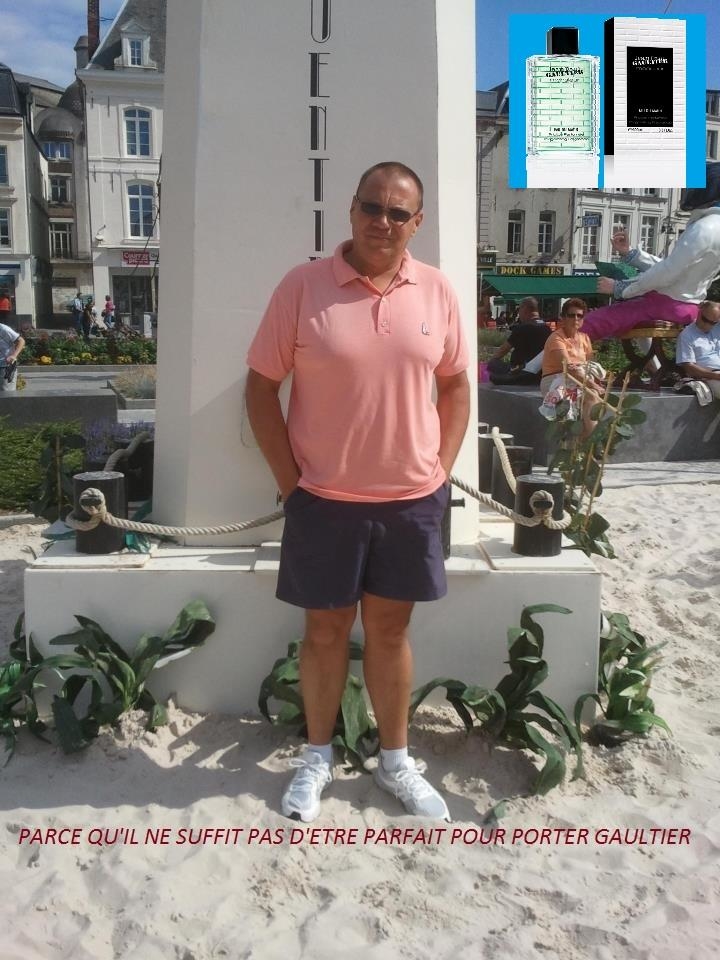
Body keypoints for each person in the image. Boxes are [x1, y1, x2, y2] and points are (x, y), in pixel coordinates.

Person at [245, 161, 470, 823]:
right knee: (323, 633)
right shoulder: (303, 286)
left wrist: (441, 468)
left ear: (416, 223)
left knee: (391, 632)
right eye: (372, 207)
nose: (383, 221)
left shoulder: (437, 290)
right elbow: (260, 387)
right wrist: (291, 486)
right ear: (351, 209)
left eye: (399, 212)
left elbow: (456, 385)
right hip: (324, 500)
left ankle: (396, 761)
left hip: (411, 501)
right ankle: (317, 757)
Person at [583, 161, 720, 342]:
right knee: (634, 322)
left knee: (589, 324)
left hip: (667, 304)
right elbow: (676, 269)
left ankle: (547, 359)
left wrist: (621, 288)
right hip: (690, 306)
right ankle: (653, 361)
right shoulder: (713, 227)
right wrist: (632, 254)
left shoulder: (703, 228)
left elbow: (668, 272)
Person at [541, 298, 601, 437]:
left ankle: (585, 442)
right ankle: (593, 440)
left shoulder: (584, 338)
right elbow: (568, 368)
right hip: (556, 379)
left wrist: (595, 382)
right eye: (571, 315)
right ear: (563, 318)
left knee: (594, 399)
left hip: (580, 379)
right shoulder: (556, 338)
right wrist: (593, 385)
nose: (576, 318)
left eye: (580, 315)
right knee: (592, 395)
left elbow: (590, 364)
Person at [487, 296, 551, 378]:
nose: (518, 313)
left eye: (519, 309)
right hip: (539, 372)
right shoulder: (547, 328)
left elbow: (503, 350)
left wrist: (491, 361)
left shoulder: (523, 328)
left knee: (493, 363)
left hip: (520, 372)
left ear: (525, 309)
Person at [675, 301, 720, 399]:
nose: (708, 325)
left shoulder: (717, 328)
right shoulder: (687, 335)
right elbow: (689, 367)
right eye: (705, 320)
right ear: (699, 312)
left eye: (713, 323)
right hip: (709, 376)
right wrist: (715, 376)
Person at [0, 321, 25, 392]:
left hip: (6, 367)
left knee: (6, 394)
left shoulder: (3, 329)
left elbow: (21, 341)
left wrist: (14, 355)